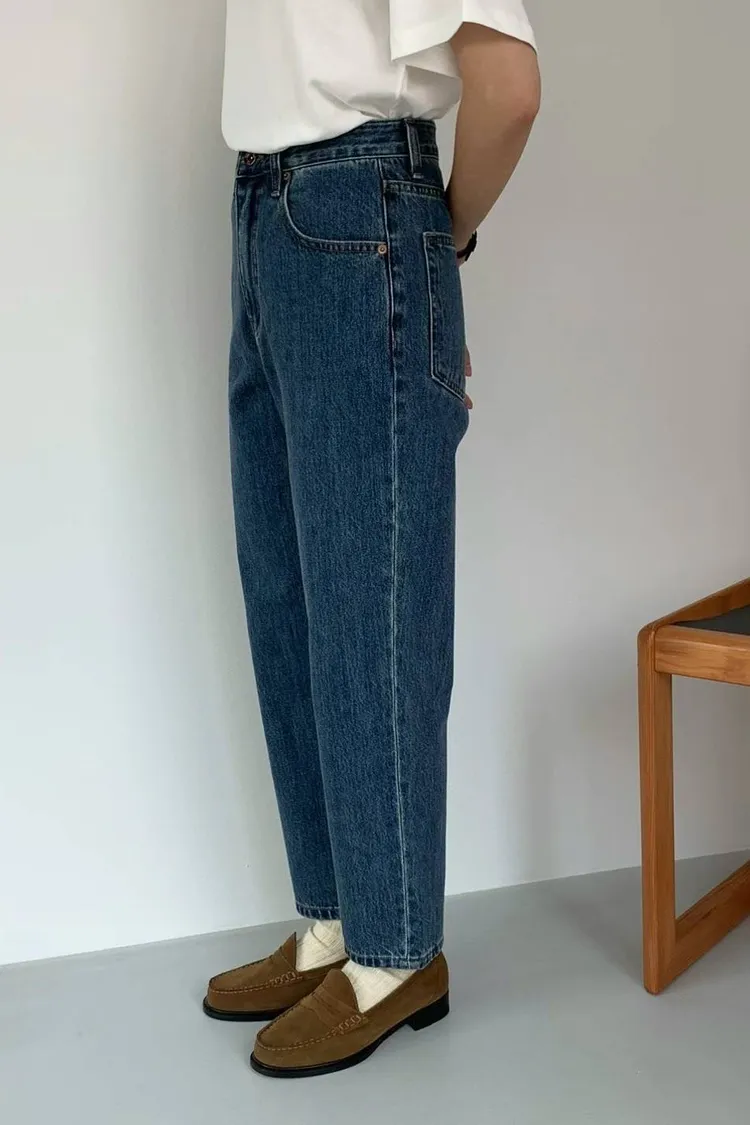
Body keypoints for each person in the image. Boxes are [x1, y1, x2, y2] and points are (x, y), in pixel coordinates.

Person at [203, 0, 540, 1078]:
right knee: (288, 594)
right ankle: (339, 922)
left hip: (359, 206)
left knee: (370, 602)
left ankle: (397, 952)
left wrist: (437, 248)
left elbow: (509, 84)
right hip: (267, 209)